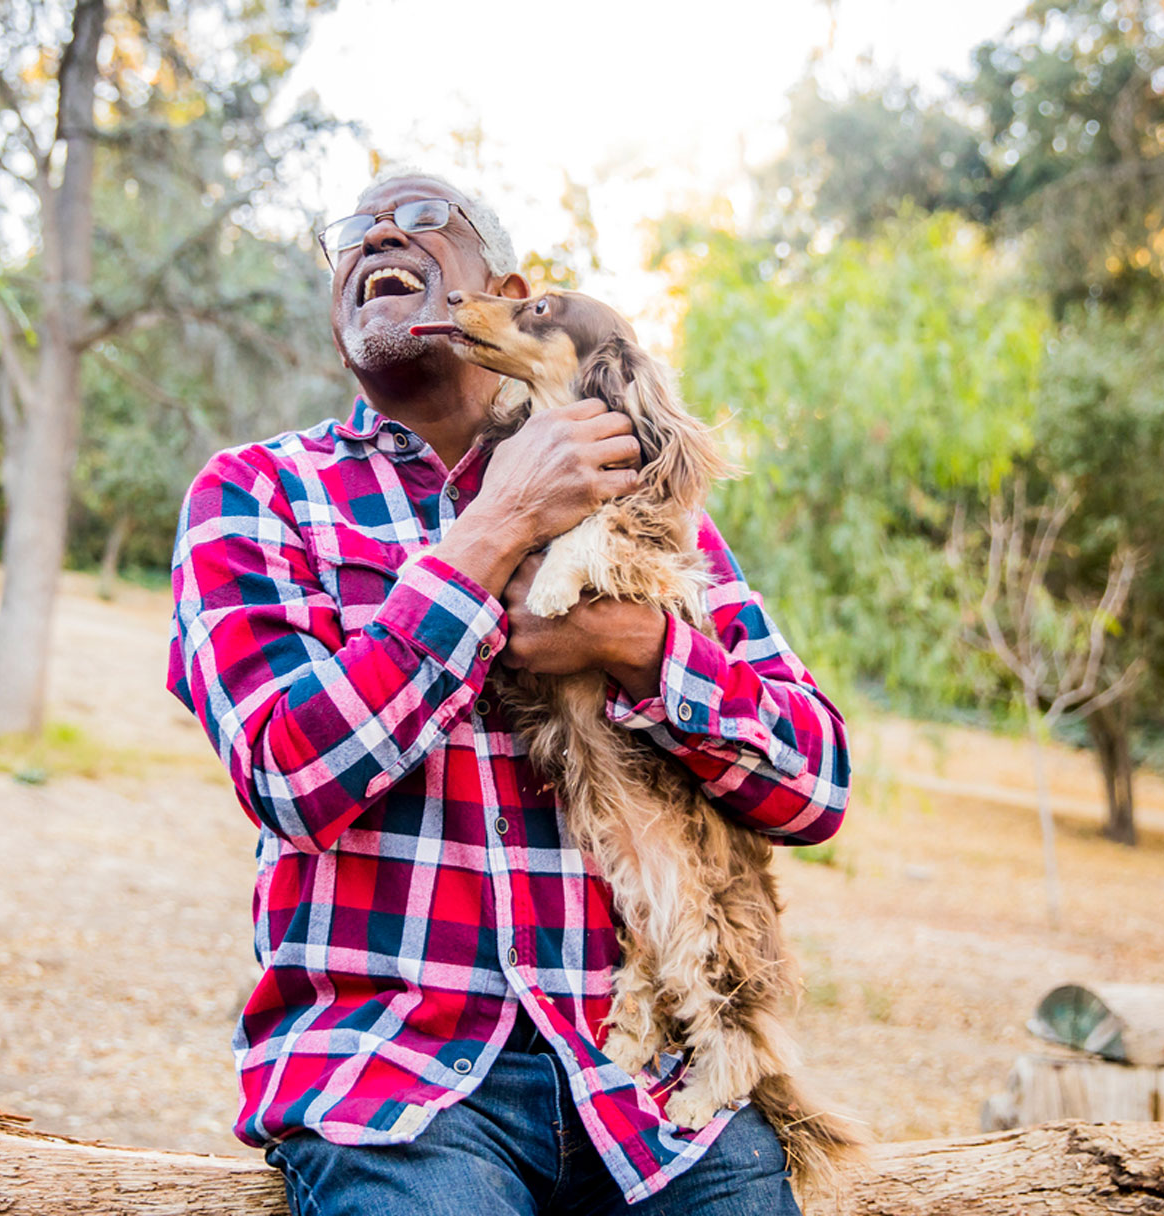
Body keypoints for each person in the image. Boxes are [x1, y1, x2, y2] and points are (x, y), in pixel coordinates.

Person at [167, 169, 850, 1215]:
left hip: (656, 1084)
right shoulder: (257, 495)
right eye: (352, 233)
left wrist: (633, 641)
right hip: (395, 1084)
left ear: (507, 293)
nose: (377, 237)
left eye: (423, 219)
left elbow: (815, 783)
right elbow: (287, 771)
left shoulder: (644, 507)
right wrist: (494, 527)